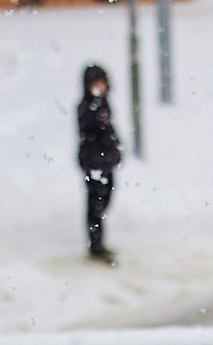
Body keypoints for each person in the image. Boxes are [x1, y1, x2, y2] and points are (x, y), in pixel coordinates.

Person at [77, 63, 122, 264]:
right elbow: (94, 132)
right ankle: (95, 244)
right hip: (94, 162)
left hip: (103, 162)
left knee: (104, 198)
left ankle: (97, 241)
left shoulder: (102, 104)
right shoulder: (88, 106)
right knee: (96, 203)